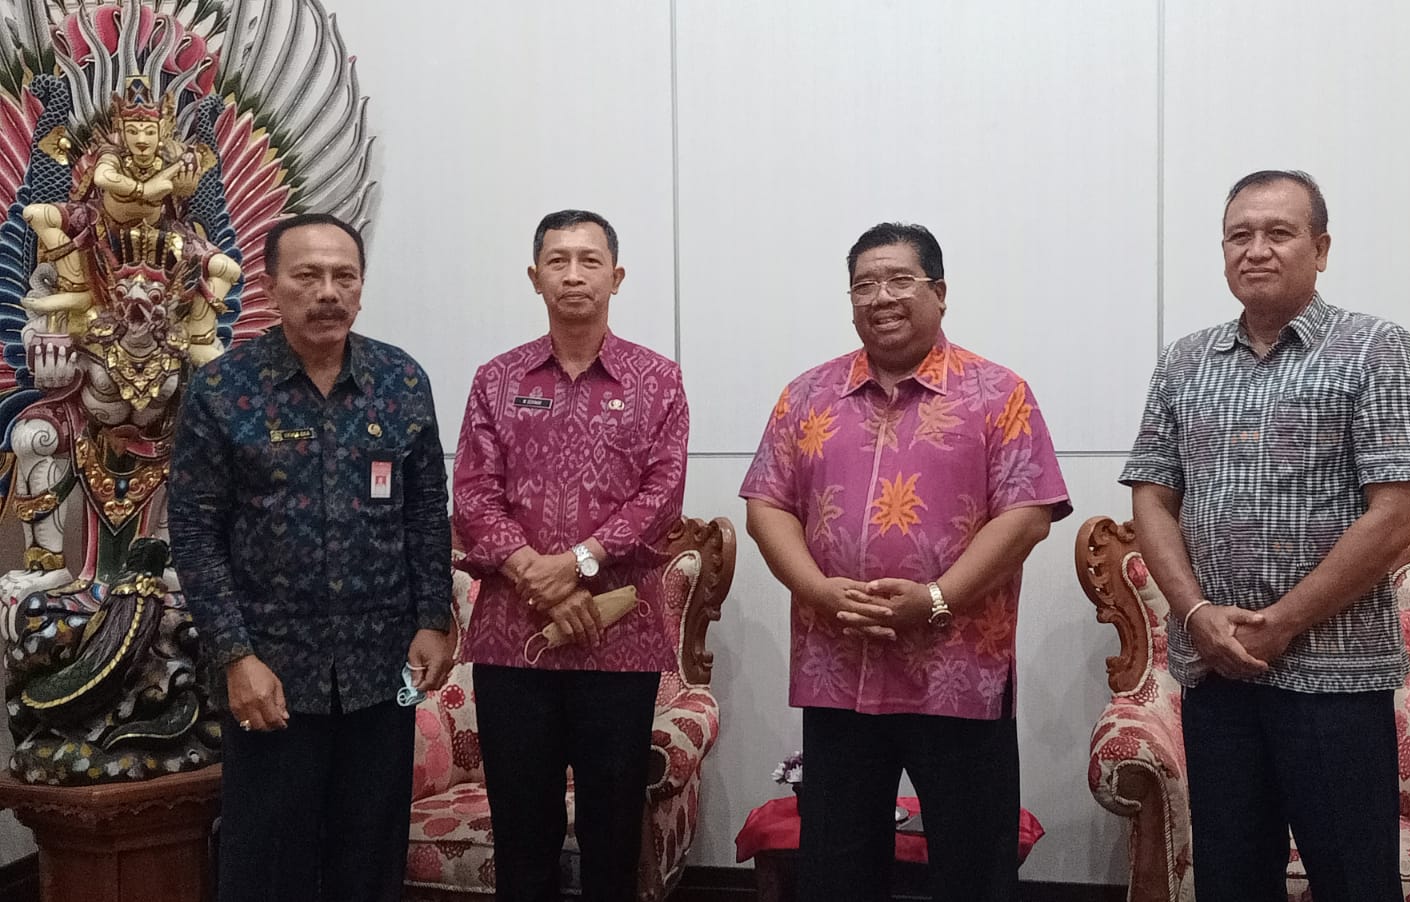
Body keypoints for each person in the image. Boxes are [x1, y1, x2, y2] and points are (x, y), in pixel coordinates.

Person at [1121, 170, 1410, 902]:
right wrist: (1197, 615)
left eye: (1279, 233)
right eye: (1240, 235)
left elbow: (1398, 515)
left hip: (1334, 676)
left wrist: (1282, 623)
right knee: (1230, 880)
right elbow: (1153, 497)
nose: (1256, 249)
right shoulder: (1184, 361)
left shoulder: (1376, 349)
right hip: (1215, 672)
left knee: (1355, 881)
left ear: (1320, 249)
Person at [740, 222, 1070, 902]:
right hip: (838, 666)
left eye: (899, 279)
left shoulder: (997, 393)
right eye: (864, 284)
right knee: (836, 865)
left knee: (972, 867)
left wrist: (937, 599)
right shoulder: (806, 395)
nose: (881, 296)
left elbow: (1027, 516)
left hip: (958, 671)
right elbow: (767, 506)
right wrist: (818, 591)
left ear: (939, 292)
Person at [169, 212, 454, 902]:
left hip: (383, 668)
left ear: (360, 287)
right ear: (270, 287)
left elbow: (425, 509)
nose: (328, 291)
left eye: (343, 276)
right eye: (308, 275)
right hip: (269, 673)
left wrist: (433, 617)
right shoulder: (223, 390)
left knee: (371, 862)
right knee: (269, 868)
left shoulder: (400, 380)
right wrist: (235, 656)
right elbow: (196, 533)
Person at [452, 209, 690, 902]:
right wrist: (536, 575)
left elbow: (662, 497)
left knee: (613, 836)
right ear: (535, 278)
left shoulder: (657, 379)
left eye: (590, 260)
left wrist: (577, 565)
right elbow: (473, 493)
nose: (574, 274)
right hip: (513, 638)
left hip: (617, 636)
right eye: (558, 261)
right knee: (522, 833)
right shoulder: (497, 379)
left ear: (617, 276)